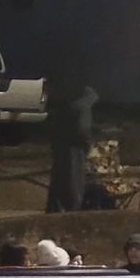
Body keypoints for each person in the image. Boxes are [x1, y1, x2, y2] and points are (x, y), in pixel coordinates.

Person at [44, 73, 98, 214]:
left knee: (62, 177)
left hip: (64, 143)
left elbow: (81, 129)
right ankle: (70, 210)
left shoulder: (72, 103)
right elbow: (83, 130)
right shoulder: (82, 105)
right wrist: (87, 144)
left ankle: (58, 208)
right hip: (73, 146)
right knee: (71, 180)